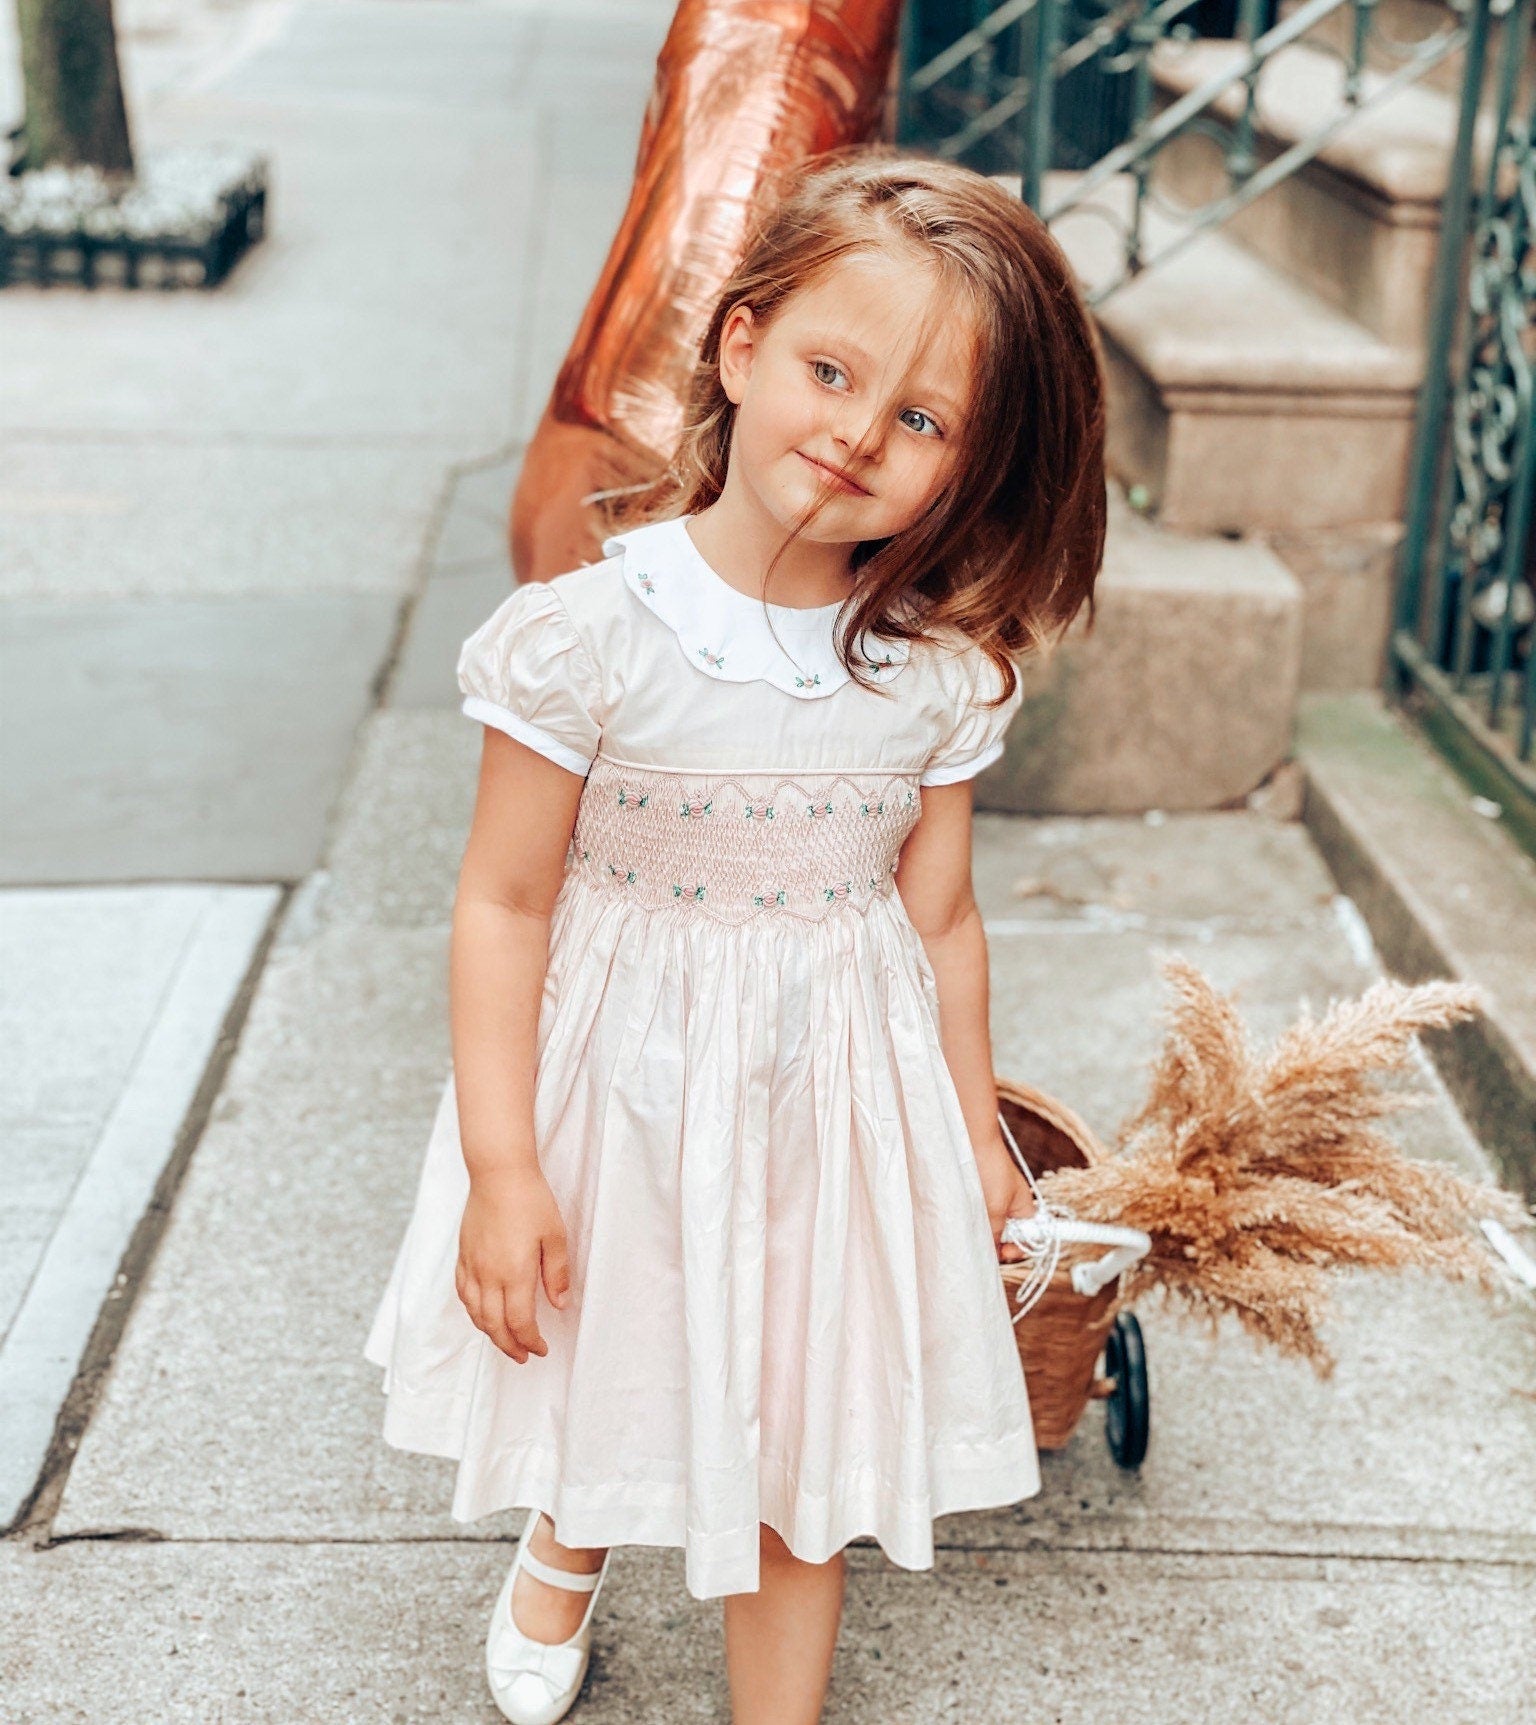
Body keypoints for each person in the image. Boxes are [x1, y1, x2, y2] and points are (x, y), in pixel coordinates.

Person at [363, 144, 1107, 1725]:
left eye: (920, 420)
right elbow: (501, 901)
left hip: (833, 1098)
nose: (855, 434)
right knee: (622, 1347)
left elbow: (944, 914)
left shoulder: (936, 678)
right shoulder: (592, 639)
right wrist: (505, 1166)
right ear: (740, 342)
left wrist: (976, 1137)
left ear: (968, 467)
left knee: (796, 1428)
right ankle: (565, 1549)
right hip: (628, 1081)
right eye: (832, 371)